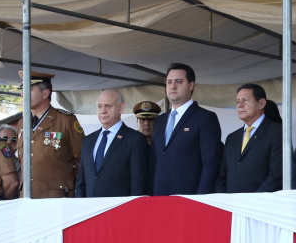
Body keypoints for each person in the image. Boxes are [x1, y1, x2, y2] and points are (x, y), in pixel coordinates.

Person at [149, 63, 222, 195]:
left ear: (191, 85)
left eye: (179, 81)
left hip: (190, 197)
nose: (173, 86)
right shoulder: (159, 121)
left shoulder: (205, 118)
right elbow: (154, 162)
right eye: (169, 82)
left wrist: (201, 198)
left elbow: (211, 163)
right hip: (158, 196)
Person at [15, 72, 83, 198]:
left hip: (56, 197)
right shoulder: (22, 123)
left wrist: (74, 190)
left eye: (29, 90)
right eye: (22, 90)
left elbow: (82, 160)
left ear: (45, 93)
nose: (23, 94)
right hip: (27, 197)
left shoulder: (66, 120)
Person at [75, 89, 149, 198]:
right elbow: (81, 182)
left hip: (119, 211)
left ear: (121, 108)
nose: (103, 111)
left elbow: (138, 183)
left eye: (108, 106)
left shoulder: (135, 140)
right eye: (99, 106)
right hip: (90, 210)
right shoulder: (88, 141)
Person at [216, 83, 283, 193]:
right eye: (237, 101)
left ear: (261, 103)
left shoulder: (277, 132)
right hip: (231, 204)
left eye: (245, 100)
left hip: (260, 204)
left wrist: (253, 200)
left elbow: (277, 174)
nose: (239, 105)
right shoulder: (232, 137)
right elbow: (222, 173)